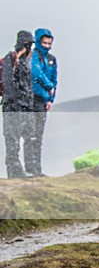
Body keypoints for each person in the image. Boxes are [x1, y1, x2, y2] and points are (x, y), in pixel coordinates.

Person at [2, 31, 36, 179]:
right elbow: (8, 83)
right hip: (12, 107)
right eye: (28, 44)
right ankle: (14, 170)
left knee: (29, 137)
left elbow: (27, 87)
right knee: (12, 140)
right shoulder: (11, 59)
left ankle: (29, 169)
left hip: (25, 107)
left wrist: (29, 105)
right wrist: (14, 103)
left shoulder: (25, 62)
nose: (30, 48)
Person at [29, 28, 58, 177]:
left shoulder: (52, 59)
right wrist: (48, 86)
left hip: (43, 101)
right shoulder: (33, 55)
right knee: (31, 134)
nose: (47, 46)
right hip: (32, 98)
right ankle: (30, 168)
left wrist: (50, 100)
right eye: (44, 42)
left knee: (38, 135)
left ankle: (37, 169)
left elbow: (54, 80)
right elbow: (36, 73)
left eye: (49, 43)